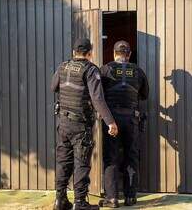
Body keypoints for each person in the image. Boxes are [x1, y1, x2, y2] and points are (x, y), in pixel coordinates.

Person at [51, 38, 118, 210]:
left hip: (63, 123)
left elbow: (53, 87)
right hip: (80, 125)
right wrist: (110, 122)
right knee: (81, 162)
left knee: (63, 161)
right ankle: (80, 203)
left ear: (74, 52)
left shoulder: (62, 66)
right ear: (89, 53)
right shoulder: (90, 69)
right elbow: (97, 98)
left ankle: (60, 200)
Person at [99, 41, 149, 208]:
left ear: (114, 53)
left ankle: (112, 198)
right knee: (131, 156)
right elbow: (145, 95)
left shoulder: (106, 69)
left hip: (111, 121)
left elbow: (98, 93)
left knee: (111, 157)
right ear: (128, 55)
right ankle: (130, 197)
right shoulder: (138, 71)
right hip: (131, 120)